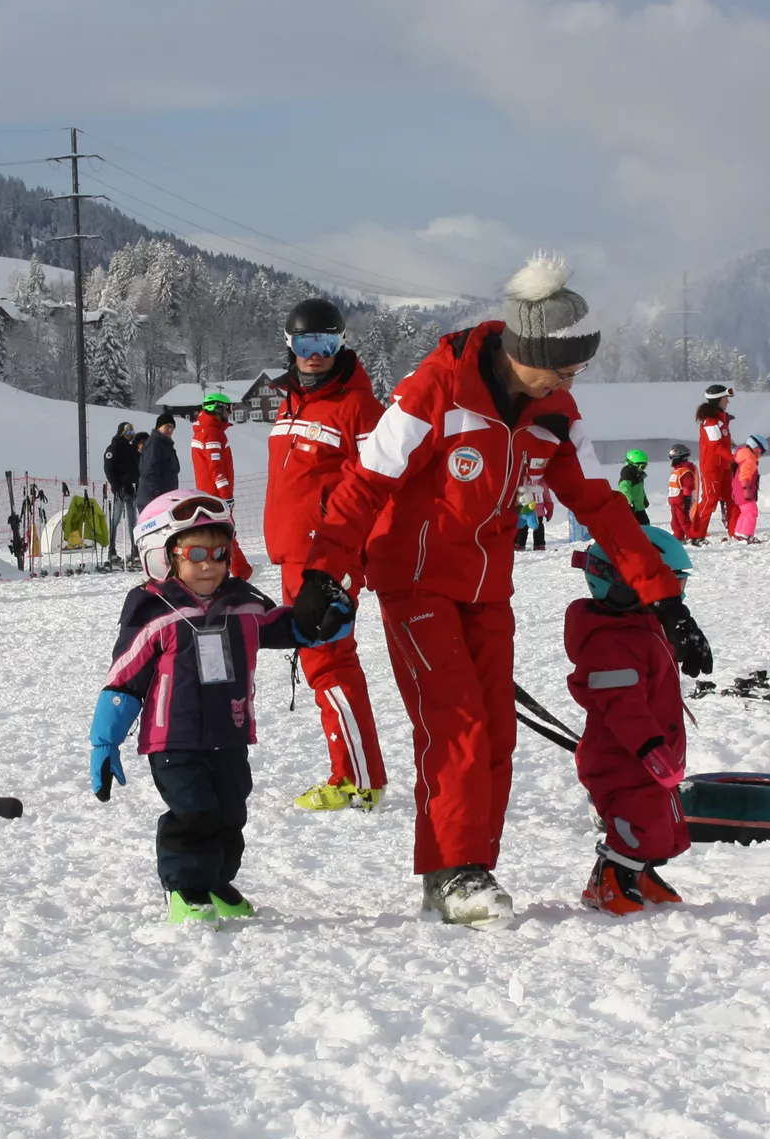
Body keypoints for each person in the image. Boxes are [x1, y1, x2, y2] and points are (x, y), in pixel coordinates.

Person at [297, 254, 714, 929]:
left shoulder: (555, 413)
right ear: (526, 349)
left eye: (576, 370)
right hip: (414, 582)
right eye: (562, 366)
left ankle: (466, 870)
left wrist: (665, 599)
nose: (568, 380)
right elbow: (365, 482)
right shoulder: (435, 390)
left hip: (488, 589)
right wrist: (324, 572)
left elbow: (601, 506)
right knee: (455, 722)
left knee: (494, 732)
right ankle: (452, 871)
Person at [87, 490, 351, 927]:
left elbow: (287, 627)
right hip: (173, 739)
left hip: (230, 733)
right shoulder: (155, 614)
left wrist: (322, 619)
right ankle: (185, 889)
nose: (208, 564)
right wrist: (105, 740)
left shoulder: (242, 603)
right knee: (195, 812)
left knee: (231, 812)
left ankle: (214, 882)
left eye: (219, 553)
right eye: (195, 553)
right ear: (164, 556)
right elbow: (124, 679)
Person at [265, 296, 391, 813]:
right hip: (293, 557)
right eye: (306, 344)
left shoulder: (358, 406)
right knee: (325, 662)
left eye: (327, 343)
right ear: (290, 346)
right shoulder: (290, 401)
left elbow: (384, 484)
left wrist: (366, 559)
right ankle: (354, 771)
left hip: (328, 559)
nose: (316, 355)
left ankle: (357, 779)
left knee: (330, 664)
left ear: (341, 343)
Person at [568, 526, 695, 914]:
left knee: (661, 821)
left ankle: (636, 872)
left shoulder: (639, 626)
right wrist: (649, 747)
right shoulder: (612, 640)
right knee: (639, 822)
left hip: (646, 754)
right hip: (622, 757)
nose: (674, 595)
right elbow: (623, 706)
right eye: (666, 584)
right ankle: (610, 881)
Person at [189, 392, 253, 579]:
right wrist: (226, 494)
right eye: (228, 409)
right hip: (216, 494)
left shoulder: (203, 429)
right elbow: (215, 467)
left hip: (208, 492)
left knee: (220, 531)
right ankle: (241, 572)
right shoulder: (212, 432)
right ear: (218, 409)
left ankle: (237, 570)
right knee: (225, 531)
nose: (230, 413)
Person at [689, 384, 738, 544]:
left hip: (723, 466)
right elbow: (716, 446)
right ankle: (697, 535)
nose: (727, 402)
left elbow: (724, 441)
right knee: (710, 499)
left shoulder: (720, 420)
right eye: (725, 399)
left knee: (731, 499)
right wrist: (733, 458)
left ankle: (735, 533)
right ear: (718, 400)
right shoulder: (710, 422)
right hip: (711, 468)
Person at [103, 421, 142, 564]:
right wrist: (116, 485)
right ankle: (112, 550)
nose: (130, 436)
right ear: (122, 433)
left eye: (132, 433)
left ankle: (134, 549)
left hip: (132, 489)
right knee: (116, 518)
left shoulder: (131, 449)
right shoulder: (114, 448)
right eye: (127, 433)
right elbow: (109, 468)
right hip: (121, 490)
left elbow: (136, 468)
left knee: (132, 520)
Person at [136, 413, 180, 512]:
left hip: (163, 498)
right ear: (159, 427)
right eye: (167, 426)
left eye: (172, 427)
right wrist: (157, 492)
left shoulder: (165, 444)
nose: (170, 430)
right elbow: (148, 470)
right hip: (152, 499)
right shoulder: (154, 444)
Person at [732, 433, 764, 543]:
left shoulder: (743, 457)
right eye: (759, 451)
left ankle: (739, 533)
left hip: (739, 490)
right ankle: (746, 535)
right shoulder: (749, 460)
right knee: (751, 512)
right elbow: (745, 475)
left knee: (745, 513)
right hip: (745, 491)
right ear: (752, 447)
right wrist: (747, 489)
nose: (760, 454)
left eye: (762, 452)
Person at [665, 444, 698, 540]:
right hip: (674, 502)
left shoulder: (685, 471)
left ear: (677, 458)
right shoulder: (677, 470)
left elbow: (688, 487)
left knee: (683, 520)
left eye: (671, 458)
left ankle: (692, 536)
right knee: (675, 521)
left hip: (681, 501)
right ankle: (678, 536)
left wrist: (687, 500)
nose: (670, 461)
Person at [616, 449, 651, 518]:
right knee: (636, 527)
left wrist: (644, 498)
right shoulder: (627, 476)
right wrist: (630, 503)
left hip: (640, 508)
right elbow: (624, 491)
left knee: (645, 525)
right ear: (633, 465)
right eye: (642, 467)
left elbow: (640, 489)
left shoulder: (638, 475)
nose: (643, 469)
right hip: (631, 509)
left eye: (645, 466)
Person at [514, 482, 549, 550]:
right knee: (522, 527)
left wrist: (550, 509)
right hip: (524, 511)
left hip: (538, 512)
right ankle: (519, 543)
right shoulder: (524, 482)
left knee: (538, 527)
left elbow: (547, 497)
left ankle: (539, 544)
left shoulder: (542, 484)